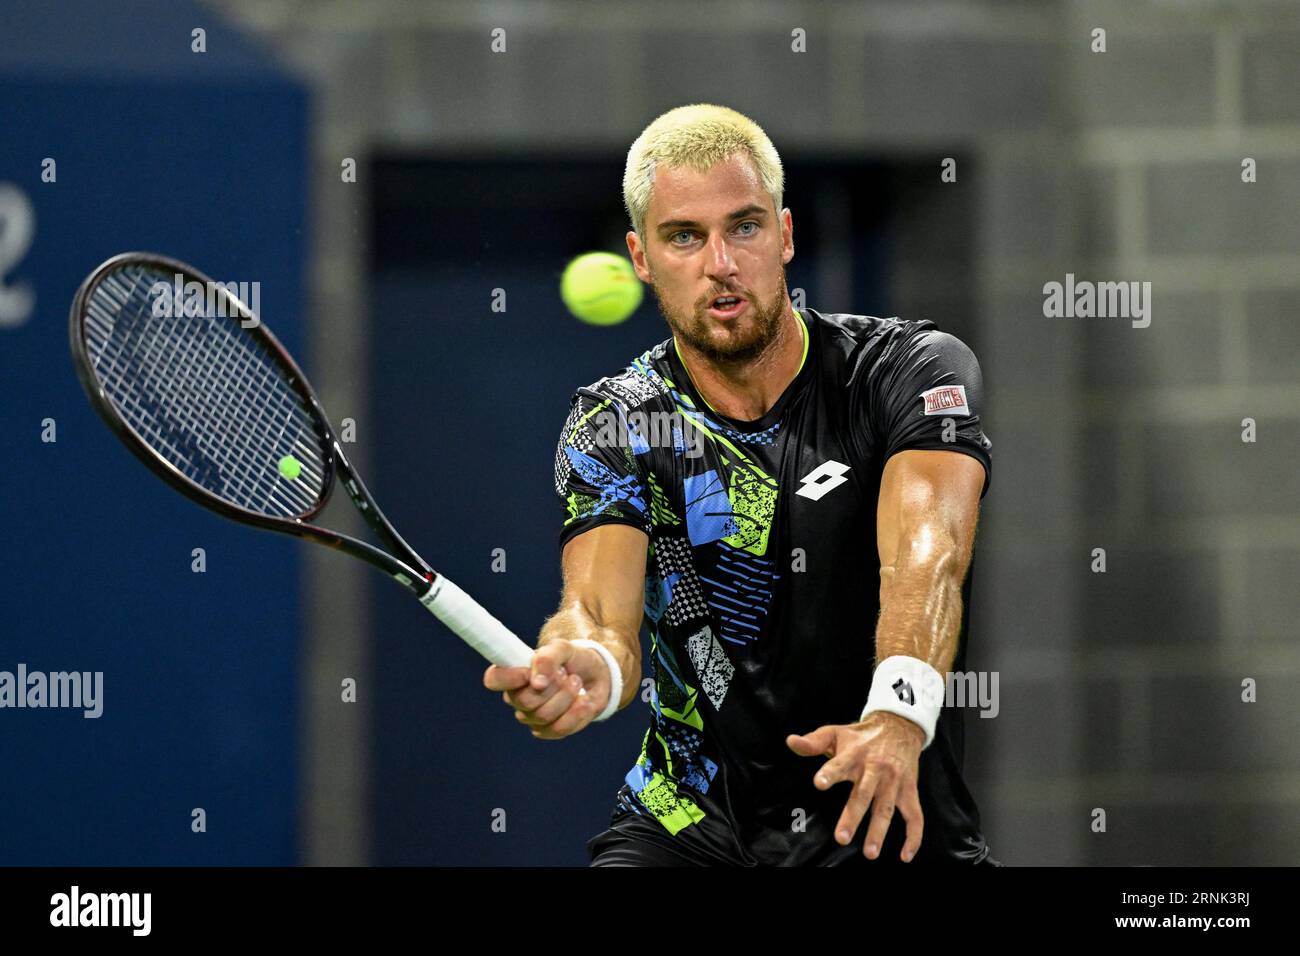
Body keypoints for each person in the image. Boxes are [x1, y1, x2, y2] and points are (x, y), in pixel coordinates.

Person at [484, 103, 1000, 866]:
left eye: (745, 227)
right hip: (691, 823)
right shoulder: (618, 421)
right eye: (685, 237)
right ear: (642, 257)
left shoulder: (907, 371)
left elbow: (929, 556)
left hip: (883, 816)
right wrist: (586, 664)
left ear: (785, 235)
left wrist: (897, 713)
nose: (720, 262)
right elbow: (597, 613)